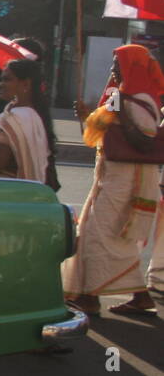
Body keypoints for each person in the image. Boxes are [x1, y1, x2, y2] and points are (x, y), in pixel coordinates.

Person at [62, 45, 164, 317]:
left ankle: (89, 298)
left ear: (131, 67)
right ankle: (140, 297)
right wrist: (87, 117)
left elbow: (144, 140)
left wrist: (119, 113)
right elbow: (103, 135)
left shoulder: (140, 99)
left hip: (127, 184)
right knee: (114, 240)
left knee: (96, 236)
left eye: (117, 64)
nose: (112, 70)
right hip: (112, 179)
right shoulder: (122, 97)